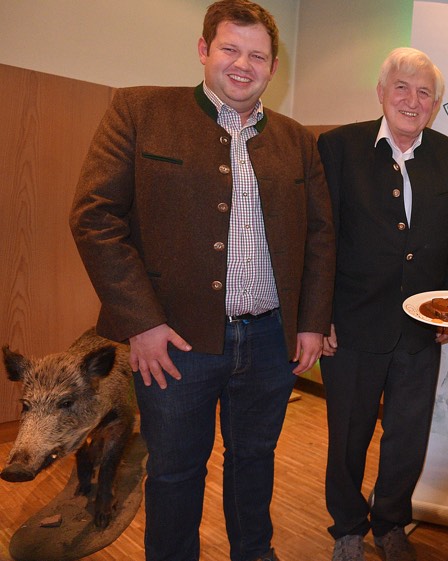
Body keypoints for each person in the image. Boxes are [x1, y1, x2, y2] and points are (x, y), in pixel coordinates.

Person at [69, 1, 335, 560]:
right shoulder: (139, 110)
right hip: (174, 342)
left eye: (257, 55)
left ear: (273, 66)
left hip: (270, 340)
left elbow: (319, 235)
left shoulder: (296, 140)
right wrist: (141, 323)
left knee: (254, 462)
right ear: (203, 50)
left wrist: (311, 322)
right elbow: (94, 218)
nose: (243, 64)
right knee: (174, 471)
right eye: (230, 49)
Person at [317, 47, 448, 561]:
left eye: (424, 92)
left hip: (420, 329)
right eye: (401, 88)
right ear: (381, 92)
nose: (412, 100)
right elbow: (320, 238)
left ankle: (390, 523)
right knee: (348, 435)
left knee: (407, 436)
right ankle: (346, 527)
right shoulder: (338, 147)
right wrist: (319, 316)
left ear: (436, 104)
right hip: (351, 325)